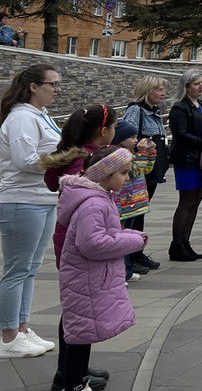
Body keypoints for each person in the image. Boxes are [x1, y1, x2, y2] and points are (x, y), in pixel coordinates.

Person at [56, 147, 146, 391]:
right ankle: (72, 384)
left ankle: (73, 379)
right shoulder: (94, 204)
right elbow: (92, 243)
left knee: (83, 332)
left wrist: (126, 234)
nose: (126, 179)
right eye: (124, 173)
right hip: (86, 278)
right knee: (80, 335)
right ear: (105, 175)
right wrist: (133, 240)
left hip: (88, 277)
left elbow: (101, 234)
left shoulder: (99, 199)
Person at [0, 63, 62, 360]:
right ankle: (8, 335)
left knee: (30, 268)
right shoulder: (22, 117)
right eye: (52, 84)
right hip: (21, 199)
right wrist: (67, 158)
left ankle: (21, 328)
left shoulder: (41, 115)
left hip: (42, 198)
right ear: (34, 87)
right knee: (16, 268)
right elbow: (25, 159)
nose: (56, 90)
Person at [42, 104, 118, 267]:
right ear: (104, 131)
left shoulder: (76, 157)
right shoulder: (88, 163)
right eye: (114, 127)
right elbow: (87, 207)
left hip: (73, 235)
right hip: (81, 238)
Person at [168, 70, 202, 261]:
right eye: (197, 83)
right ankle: (176, 245)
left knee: (195, 201)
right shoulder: (179, 108)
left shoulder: (201, 105)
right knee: (186, 201)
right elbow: (180, 134)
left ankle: (185, 242)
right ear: (187, 85)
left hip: (200, 158)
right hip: (187, 159)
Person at [118, 76, 167, 274]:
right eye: (159, 89)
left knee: (140, 210)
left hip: (151, 168)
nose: (163, 93)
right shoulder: (136, 110)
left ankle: (137, 252)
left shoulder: (154, 111)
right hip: (139, 170)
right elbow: (127, 137)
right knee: (134, 212)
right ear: (147, 90)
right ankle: (130, 255)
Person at [108, 121, 156, 280]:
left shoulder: (132, 153)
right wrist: (142, 152)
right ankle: (125, 271)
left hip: (136, 202)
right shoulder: (120, 155)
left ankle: (128, 268)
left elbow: (147, 168)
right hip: (126, 204)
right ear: (120, 138)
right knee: (124, 237)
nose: (136, 140)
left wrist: (150, 152)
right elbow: (135, 170)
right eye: (132, 137)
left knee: (130, 237)